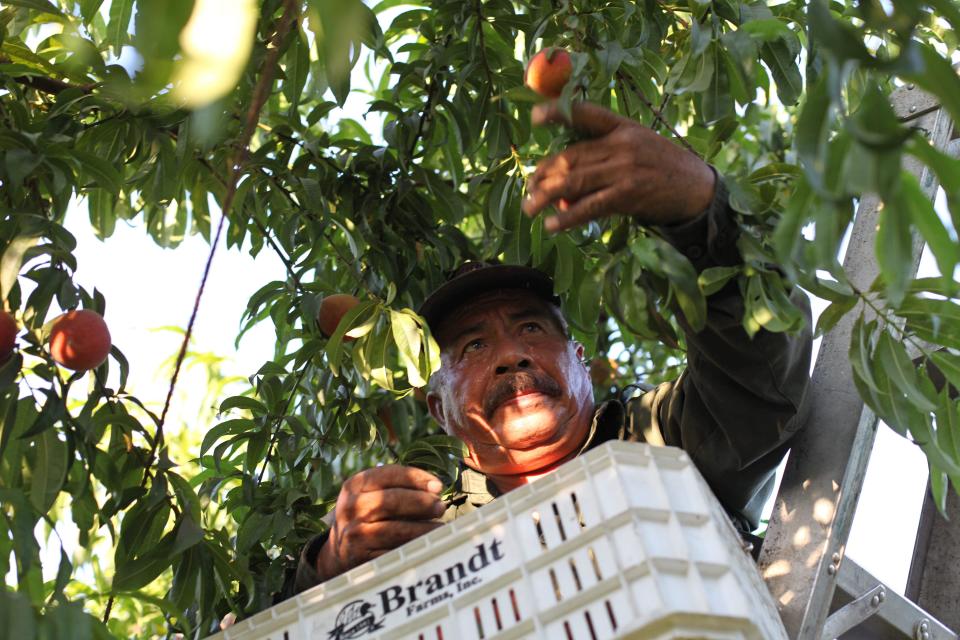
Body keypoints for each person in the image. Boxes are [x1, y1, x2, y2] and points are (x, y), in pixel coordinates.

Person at [291, 101, 812, 594]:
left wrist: (703, 218)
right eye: (473, 346)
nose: (511, 355)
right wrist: (330, 568)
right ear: (439, 409)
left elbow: (757, 379)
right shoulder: (425, 535)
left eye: (533, 330)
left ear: (581, 362)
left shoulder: (662, 442)